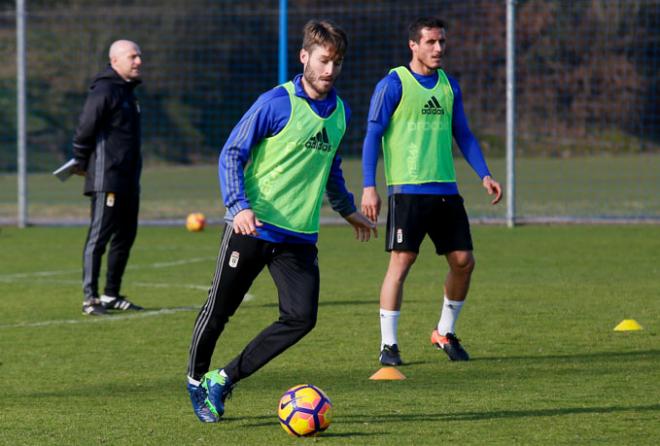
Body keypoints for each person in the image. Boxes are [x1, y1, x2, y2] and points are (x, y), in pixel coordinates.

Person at [186, 20, 376, 423]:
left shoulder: (340, 112)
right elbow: (232, 153)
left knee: (301, 318)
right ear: (304, 57)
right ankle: (196, 382)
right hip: (251, 227)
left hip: (299, 238)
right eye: (324, 60)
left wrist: (348, 211)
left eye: (337, 63)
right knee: (219, 311)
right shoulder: (276, 103)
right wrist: (238, 206)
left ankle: (224, 378)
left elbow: (332, 168)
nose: (330, 70)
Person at [361, 17, 502, 365]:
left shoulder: (449, 85)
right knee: (402, 261)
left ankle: (444, 332)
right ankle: (388, 346)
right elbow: (372, 136)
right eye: (430, 42)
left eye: (441, 42)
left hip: (446, 192)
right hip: (407, 191)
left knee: (464, 262)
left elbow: (464, 134)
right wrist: (369, 187)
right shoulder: (394, 83)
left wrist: (484, 174)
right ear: (414, 45)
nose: (438, 48)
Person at [72, 40, 145, 316]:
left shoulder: (128, 93)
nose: (138, 61)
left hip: (128, 179)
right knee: (99, 236)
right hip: (107, 179)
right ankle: (90, 299)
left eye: (139, 56)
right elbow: (85, 127)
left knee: (125, 236)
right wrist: (80, 160)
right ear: (115, 61)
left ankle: (111, 294)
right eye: (132, 56)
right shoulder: (104, 90)